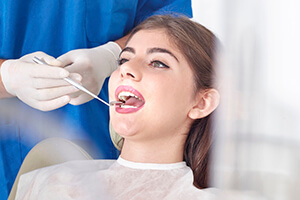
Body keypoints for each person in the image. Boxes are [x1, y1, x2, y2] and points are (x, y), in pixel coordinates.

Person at [0, 1, 192, 199]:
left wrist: (111, 55)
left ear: (203, 101)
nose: (125, 69)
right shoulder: (44, 184)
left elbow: (174, 29)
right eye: (124, 60)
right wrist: (6, 77)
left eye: (157, 63)